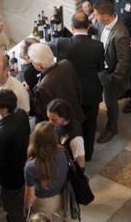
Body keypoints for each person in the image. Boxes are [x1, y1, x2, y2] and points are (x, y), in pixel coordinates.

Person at [50, 10, 104, 161]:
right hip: (91, 91)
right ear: (88, 26)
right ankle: (88, 153)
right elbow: (100, 68)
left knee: (71, 124)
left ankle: (72, 154)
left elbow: (49, 48)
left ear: (72, 27)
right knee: (90, 124)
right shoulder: (98, 46)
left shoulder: (61, 43)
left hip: (70, 92)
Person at [0, 89, 30, 222]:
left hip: (9, 178)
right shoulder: (21, 114)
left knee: (12, 207)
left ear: (4, 109)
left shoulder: (2, 134)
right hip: (23, 163)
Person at [93, 0, 131, 143]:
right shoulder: (101, 23)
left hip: (109, 73)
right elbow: (95, 31)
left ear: (106, 16)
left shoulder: (121, 34)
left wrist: (113, 79)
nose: (94, 17)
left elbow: (124, 61)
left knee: (111, 103)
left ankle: (112, 128)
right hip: (98, 66)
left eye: (96, 15)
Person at [24, 122, 70, 220]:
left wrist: (26, 208)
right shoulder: (62, 151)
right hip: (61, 197)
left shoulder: (31, 166)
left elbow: (30, 196)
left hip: (42, 202)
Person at [29, 43, 84, 123]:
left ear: (38, 66)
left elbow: (46, 114)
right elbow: (79, 89)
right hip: (77, 114)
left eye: (32, 61)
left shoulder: (42, 87)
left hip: (61, 124)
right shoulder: (67, 64)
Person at [46, 98, 86, 168]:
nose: (49, 122)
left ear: (64, 117)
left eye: (53, 120)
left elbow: (81, 164)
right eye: (49, 118)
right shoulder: (58, 124)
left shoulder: (76, 140)